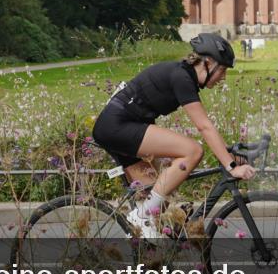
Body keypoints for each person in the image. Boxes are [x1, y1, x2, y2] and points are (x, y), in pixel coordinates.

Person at [91, 33, 256, 238]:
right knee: (193, 151)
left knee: (161, 202)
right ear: (207, 62)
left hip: (122, 125)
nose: (223, 76)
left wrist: (228, 152)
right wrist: (231, 167)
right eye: (222, 69)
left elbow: (207, 126)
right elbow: (204, 126)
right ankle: (140, 217)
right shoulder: (181, 77)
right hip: (117, 125)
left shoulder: (183, 75)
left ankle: (145, 252)